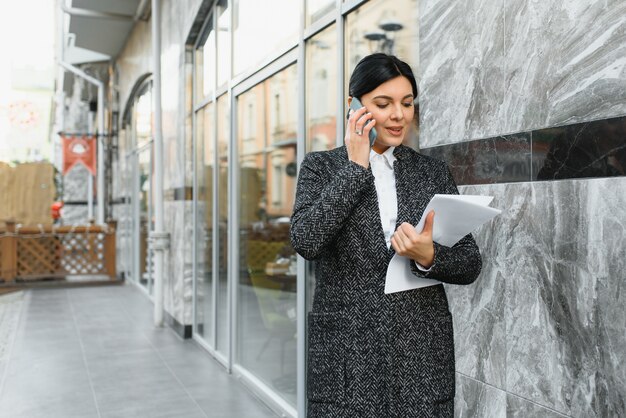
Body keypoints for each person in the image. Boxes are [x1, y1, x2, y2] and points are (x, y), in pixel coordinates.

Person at [290, 53, 482, 417]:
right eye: (384, 103)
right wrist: (355, 167)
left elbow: (470, 263)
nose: (398, 115)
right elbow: (306, 240)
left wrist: (429, 255)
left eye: (407, 103)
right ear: (355, 108)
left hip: (420, 351)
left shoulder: (431, 172)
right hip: (348, 352)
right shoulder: (320, 168)